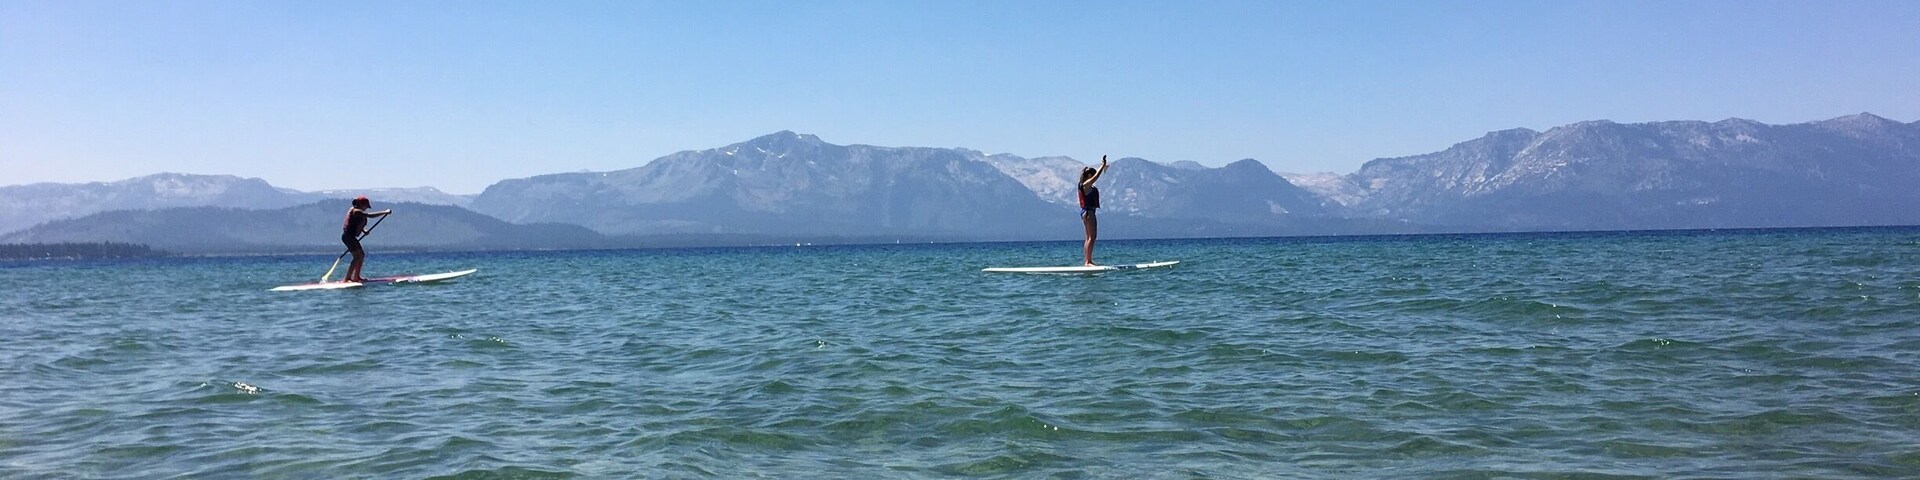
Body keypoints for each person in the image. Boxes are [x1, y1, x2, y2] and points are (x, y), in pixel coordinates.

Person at [342, 196, 392, 283]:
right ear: (361, 205)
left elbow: (354, 223)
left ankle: (356, 277)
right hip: (348, 237)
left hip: (350, 237)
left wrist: (363, 231)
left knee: (361, 255)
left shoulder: (357, 212)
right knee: (357, 257)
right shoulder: (356, 211)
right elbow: (370, 215)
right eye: (365, 206)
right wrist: (385, 212)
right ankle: (347, 278)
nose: (366, 208)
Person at [1078, 155, 1109, 266]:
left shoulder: (1085, 185)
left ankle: (1087, 261)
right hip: (1088, 212)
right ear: (1089, 176)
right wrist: (1102, 166)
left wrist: (1104, 166)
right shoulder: (1085, 185)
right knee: (1092, 236)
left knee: (1089, 237)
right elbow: (1096, 176)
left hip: (1087, 212)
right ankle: (1088, 261)